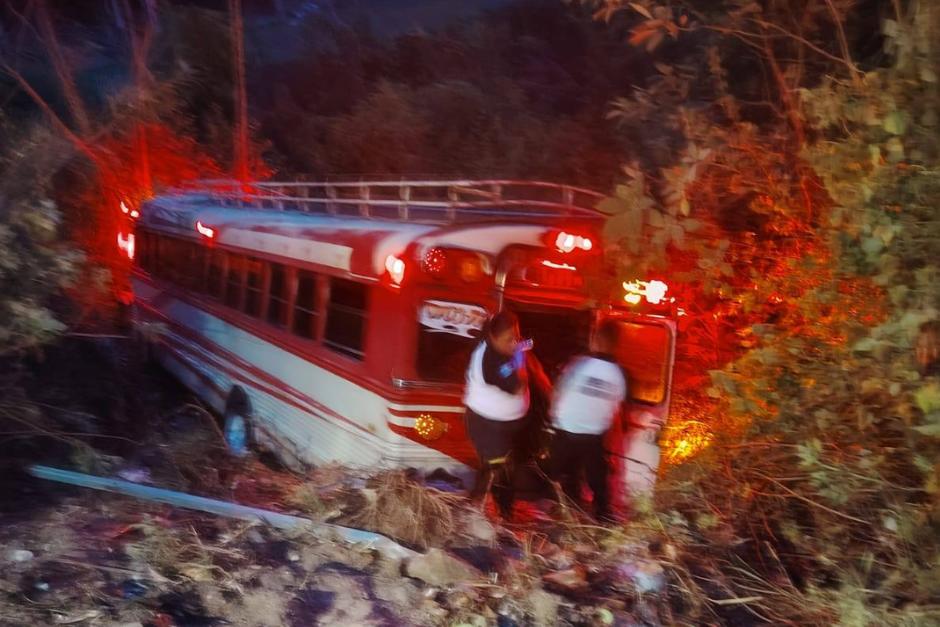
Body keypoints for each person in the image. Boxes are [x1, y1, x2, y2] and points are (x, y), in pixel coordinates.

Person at [548, 319, 627, 522]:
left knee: (563, 472)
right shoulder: (619, 375)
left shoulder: (580, 364)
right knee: (596, 478)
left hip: (567, 429)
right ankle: (603, 514)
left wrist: (553, 414)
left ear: (596, 340)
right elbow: (615, 407)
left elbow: (559, 389)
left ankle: (566, 510)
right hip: (593, 434)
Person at [464, 310, 534, 519]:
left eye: (516, 337)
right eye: (508, 340)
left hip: (505, 423)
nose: (514, 343)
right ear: (493, 337)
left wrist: (518, 347)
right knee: (496, 470)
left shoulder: (497, 344)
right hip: (487, 423)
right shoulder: (491, 364)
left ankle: (500, 513)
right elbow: (520, 387)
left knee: (504, 468)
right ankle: (484, 513)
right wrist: (520, 358)